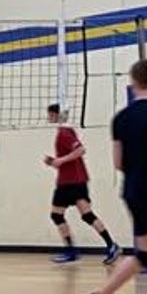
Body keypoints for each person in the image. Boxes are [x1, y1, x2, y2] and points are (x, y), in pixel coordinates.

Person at [79, 59, 147, 294]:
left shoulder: (121, 119)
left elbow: (118, 162)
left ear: (132, 83)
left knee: (146, 253)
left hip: (133, 191)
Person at [43, 103, 120, 264]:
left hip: (68, 182)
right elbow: (72, 154)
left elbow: (80, 150)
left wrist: (59, 160)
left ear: (56, 115)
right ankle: (111, 245)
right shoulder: (67, 131)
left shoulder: (64, 133)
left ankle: (71, 251)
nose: (48, 117)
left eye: (49, 114)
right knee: (87, 215)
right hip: (78, 179)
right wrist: (55, 162)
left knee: (56, 215)